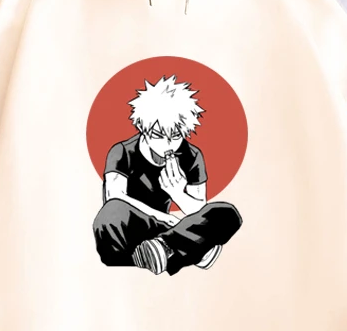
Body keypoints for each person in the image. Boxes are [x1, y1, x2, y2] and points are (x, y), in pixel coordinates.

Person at [93, 75, 242, 275]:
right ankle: (191, 252)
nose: (168, 143)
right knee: (108, 217)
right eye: (158, 135)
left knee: (227, 214)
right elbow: (114, 198)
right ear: (143, 128)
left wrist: (177, 193)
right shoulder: (122, 151)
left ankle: (164, 248)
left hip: (169, 231)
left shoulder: (192, 156)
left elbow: (200, 212)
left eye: (176, 135)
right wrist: (164, 217)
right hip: (140, 225)